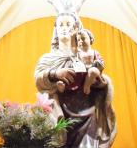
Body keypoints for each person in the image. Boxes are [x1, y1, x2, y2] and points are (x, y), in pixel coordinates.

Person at [35, 13, 116, 147]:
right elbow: (38, 81)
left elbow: (99, 80)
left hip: (88, 110)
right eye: (61, 25)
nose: (64, 28)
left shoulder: (85, 55)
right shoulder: (48, 58)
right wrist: (56, 74)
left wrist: (98, 81)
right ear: (56, 30)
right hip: (60, 111)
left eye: (69, 25)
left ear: (76, 29)